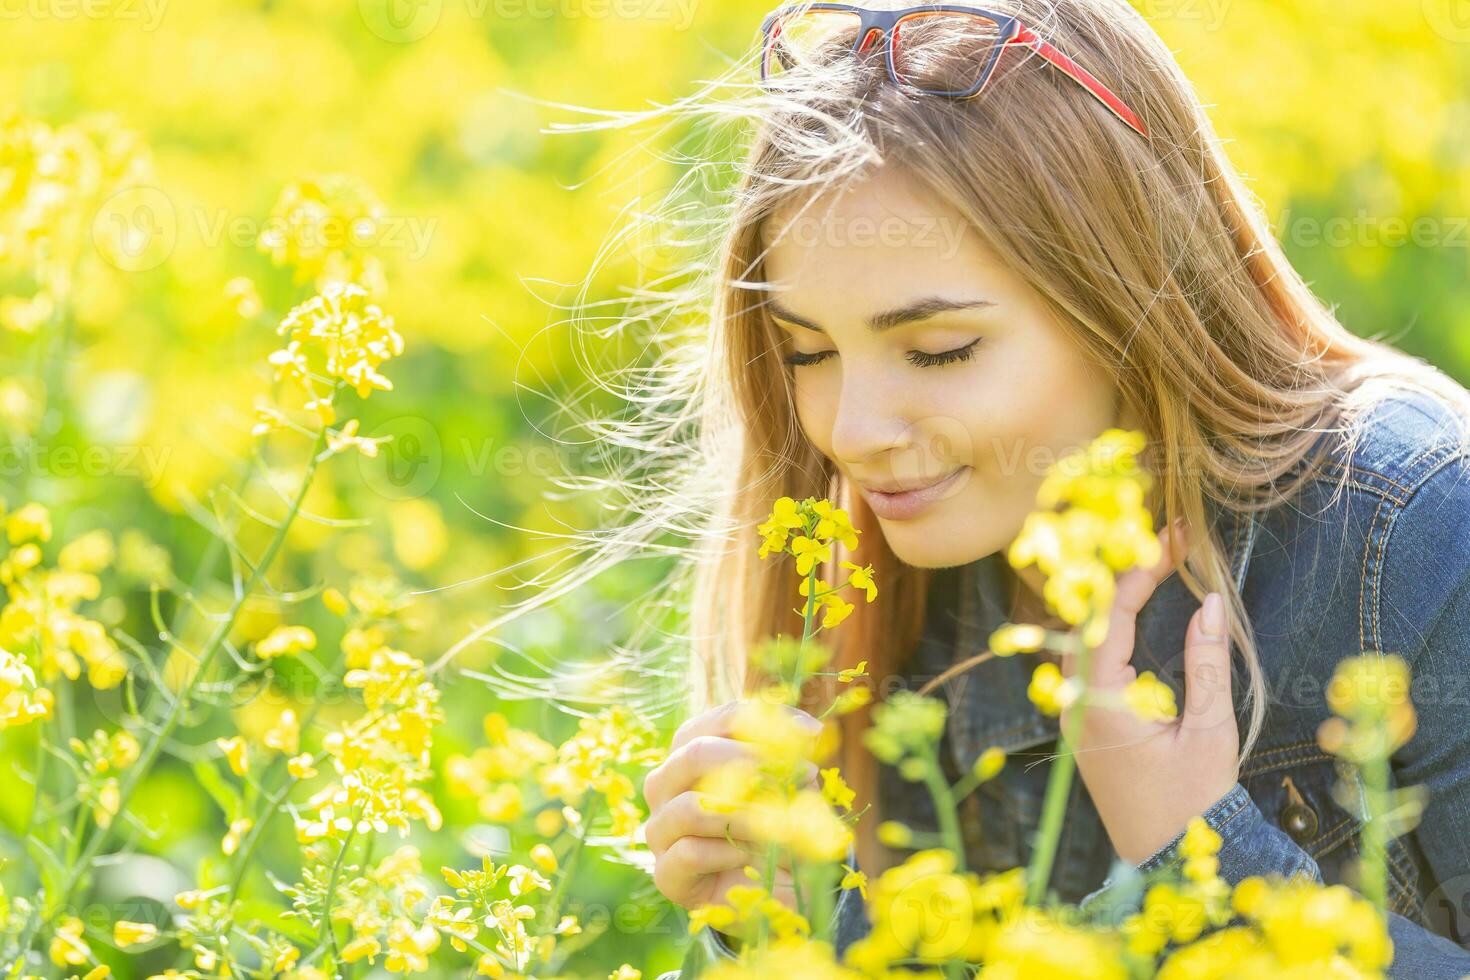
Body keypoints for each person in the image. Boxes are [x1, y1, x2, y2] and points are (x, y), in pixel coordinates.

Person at [503, 0, 1470, 973]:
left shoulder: (1417, 522)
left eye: (938, 350)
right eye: (807, 351)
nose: (851, 433)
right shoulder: (909, 575)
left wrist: (1198, 853)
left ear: (1128, 297)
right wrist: (791, 924)